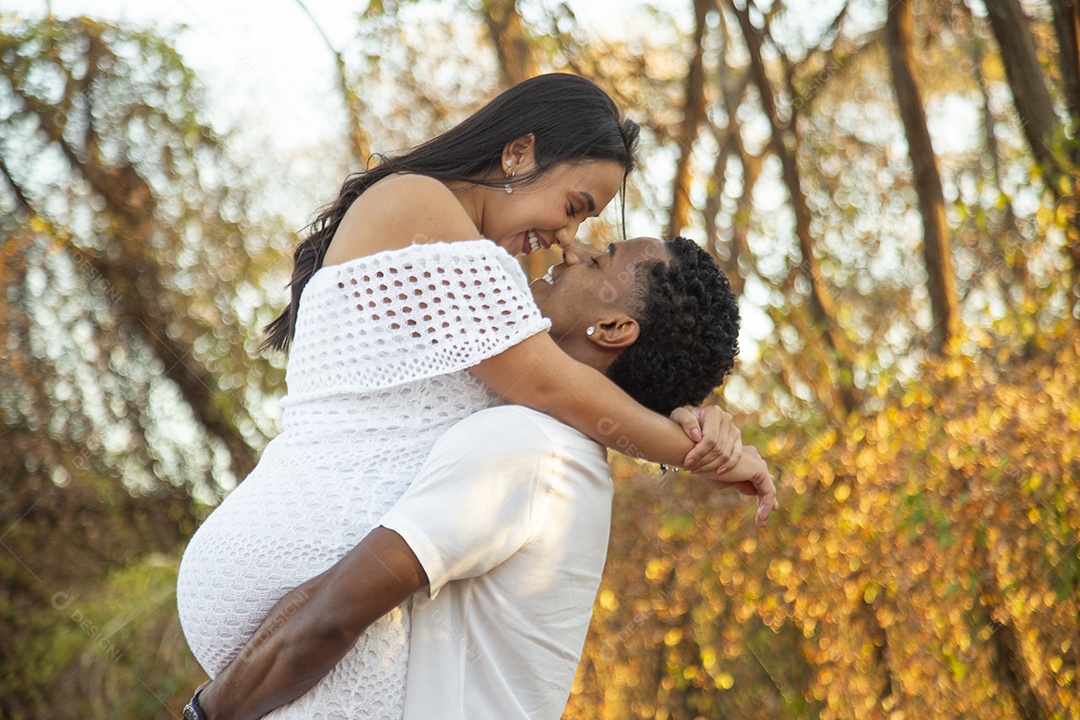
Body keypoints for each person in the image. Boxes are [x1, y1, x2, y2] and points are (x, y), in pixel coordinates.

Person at [177, 74, 757, 719]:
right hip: (310, 621)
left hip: (324, 632)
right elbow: (547, 381)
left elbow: (570, 388)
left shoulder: (500, 330)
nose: (569, 240)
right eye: (573, 207)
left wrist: (691, 415)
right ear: (518, 154)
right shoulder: (419, 208)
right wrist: (695, 449)